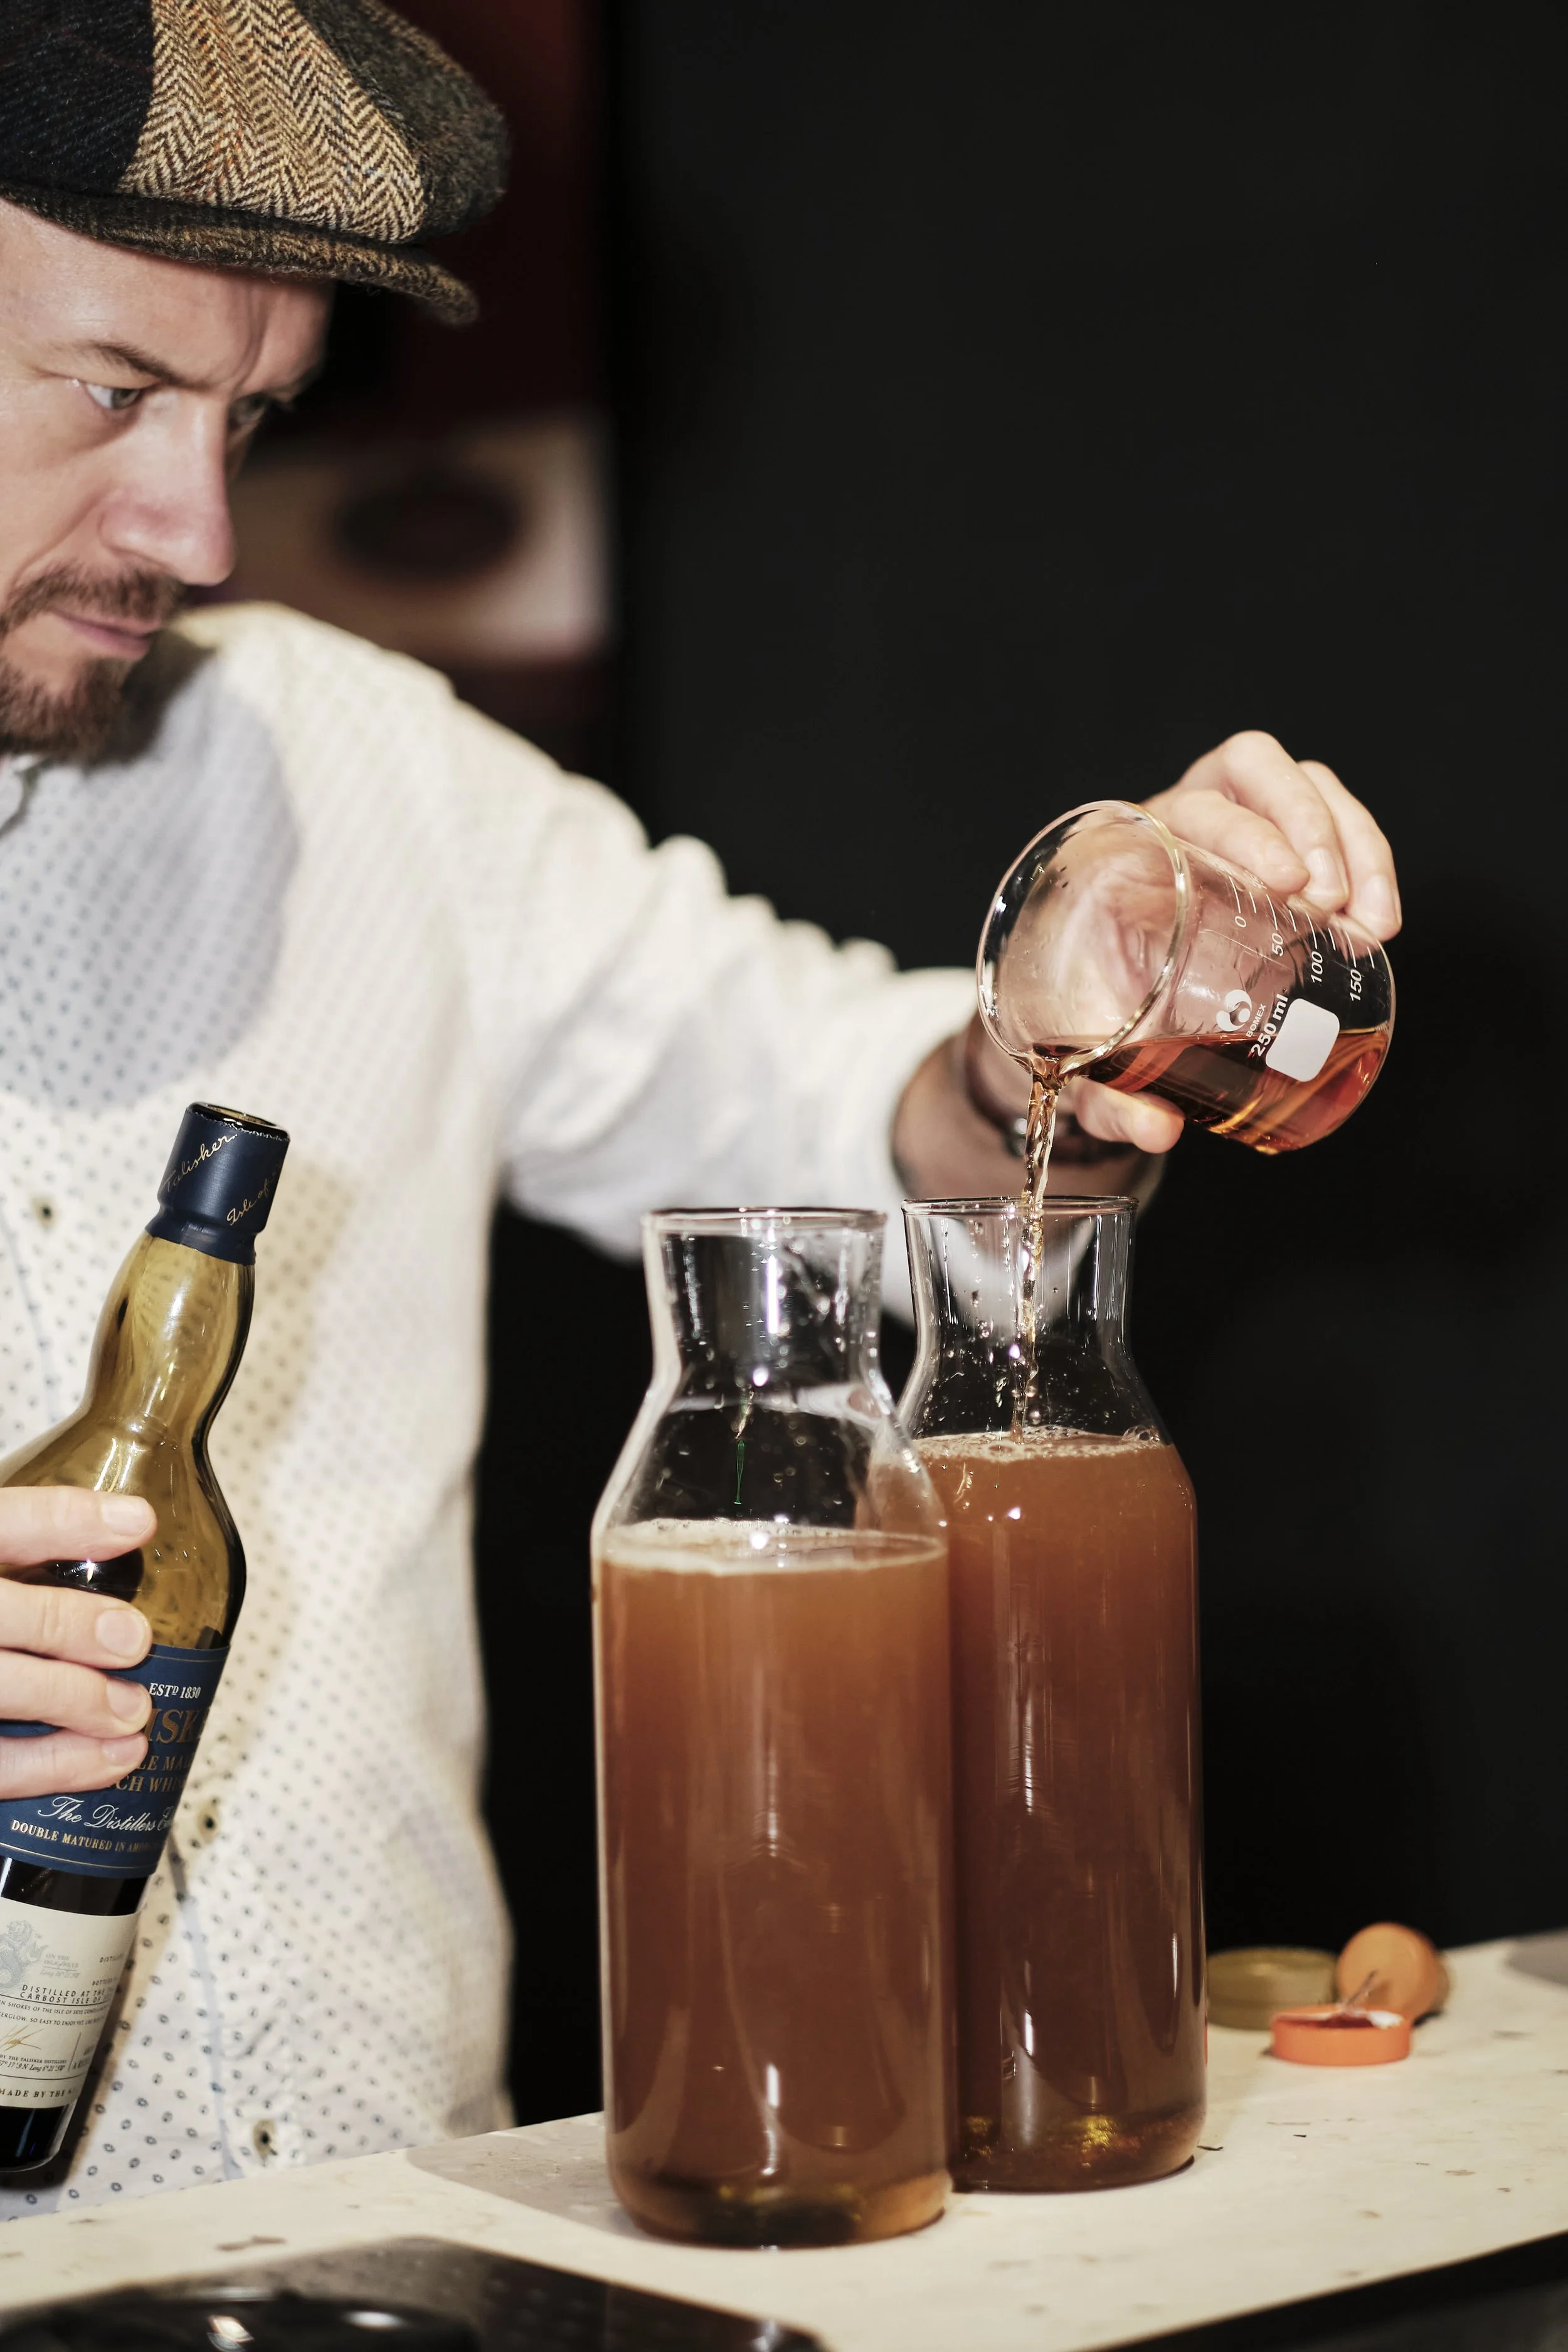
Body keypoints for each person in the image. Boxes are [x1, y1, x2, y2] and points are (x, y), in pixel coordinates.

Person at [0, 3, 1401, 2214]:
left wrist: (1049, 1023)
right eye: (117, 391)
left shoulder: (359, 773)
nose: (199, 526)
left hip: (411, 2242)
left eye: (250, 418)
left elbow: (845, 1126)